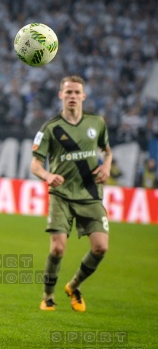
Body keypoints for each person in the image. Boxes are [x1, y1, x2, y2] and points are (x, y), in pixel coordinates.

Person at [30, 75, 111, 312]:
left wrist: (106, 166)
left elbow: (108, 151)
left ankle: (73, 285)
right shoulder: (49, 128)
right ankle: (47, 295)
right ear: (60, 95)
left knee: (101, 248)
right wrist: (47, 176)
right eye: (68, 92)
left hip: (90, 193)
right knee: (57, 249)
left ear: (83, 96)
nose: (72, 96)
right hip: (61, 194)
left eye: (77, 92)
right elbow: (34, 164)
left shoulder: (97, 123)